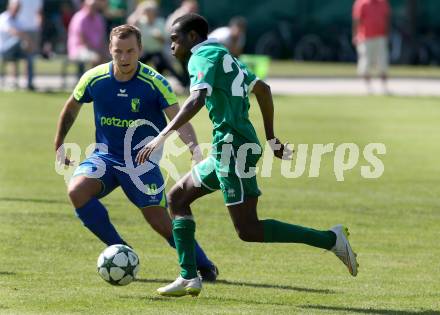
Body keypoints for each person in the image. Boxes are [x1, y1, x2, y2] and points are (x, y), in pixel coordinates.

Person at [136, 14, 359, 297]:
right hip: (225, 148)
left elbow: (197, 98)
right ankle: (188, 276)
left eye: (174, 39)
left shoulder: (200, 56)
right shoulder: (222, 53)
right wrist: (271, 138)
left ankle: (330, 239)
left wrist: (161, 136)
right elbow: (262, 89)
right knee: (178, 198)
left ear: (192, 37)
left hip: (234, 148)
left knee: (248, 229)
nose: (170, 46)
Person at [54, 24, 218, 281]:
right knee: (77, 190)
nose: (124, 57)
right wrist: (60, 142)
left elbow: (179, 119)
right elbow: (72, 107)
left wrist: (195, 151)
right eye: (118, 51)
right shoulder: (94, 78)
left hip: (141, 163)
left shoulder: (155, 83)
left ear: (140, 50)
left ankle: (204, 265)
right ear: (110, 49)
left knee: (160, 222)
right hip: (105, 158)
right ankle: (121, 249)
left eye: (130, 51)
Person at [128, 1, 186, 86]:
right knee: (136, 65)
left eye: (150, 12)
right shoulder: (140, 22)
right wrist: (139, 11)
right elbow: (130, 22)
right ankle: (131, 83)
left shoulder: (160, 22)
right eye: (147, 12)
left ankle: (183, 83)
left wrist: (159, 37)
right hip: (145, 51)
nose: (148, 14)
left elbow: (165, 41)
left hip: (157, 52)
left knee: (162, 65)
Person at [352, 0, 391, 94]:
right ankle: (368, 87)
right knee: (365, 62)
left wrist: (387, 35)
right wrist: (355, 35)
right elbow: (356, 20)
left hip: (381, 37)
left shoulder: (383, 3)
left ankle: (384, 87)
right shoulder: (361, 3)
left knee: (383, 62)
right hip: (365, 37)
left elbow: (387, 19)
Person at [67, 0, 107, 79]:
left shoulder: (98, 18)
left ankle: (99, 81)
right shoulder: (79, 18)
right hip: (79, 49)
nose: (94, 9)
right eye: (92, 6)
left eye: (95, 7)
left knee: (109, 57)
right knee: (96, 58)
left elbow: (102, 37)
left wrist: (103, 50)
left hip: (95, 49)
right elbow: (82, 39)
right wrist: (97, 50)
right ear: (85, 6)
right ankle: (90, 81)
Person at [0, 0, 28, 89]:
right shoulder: (3, 17)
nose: (16, 10)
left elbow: (22, 33)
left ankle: (27, 82)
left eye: (18, 9)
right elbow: (13, 32)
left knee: (28, 54)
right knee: (18, 40)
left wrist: (27, 43)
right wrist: (26, 40)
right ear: (10, 7)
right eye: (15, 8)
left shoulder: (18, 20)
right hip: (3, 49)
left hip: (14, 51)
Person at [15, 0, 42, 90]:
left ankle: (29, 81)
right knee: (16, 56)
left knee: (30, 57)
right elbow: (14, 9)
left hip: (33, 30)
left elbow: (39, 12)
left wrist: (38, 27)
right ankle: (15, 80)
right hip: (20, 29)